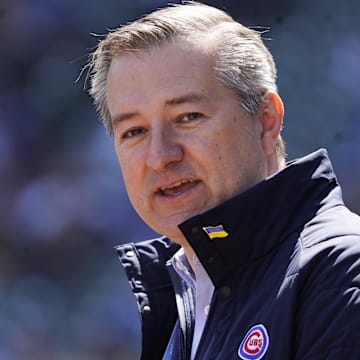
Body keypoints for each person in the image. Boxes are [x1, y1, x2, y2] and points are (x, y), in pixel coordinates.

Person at [86, 2, 360, 359]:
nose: (159, 156)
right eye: (134, 131)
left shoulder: (341, 272)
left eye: (188, 117)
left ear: (265, 120)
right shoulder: (183, 299)